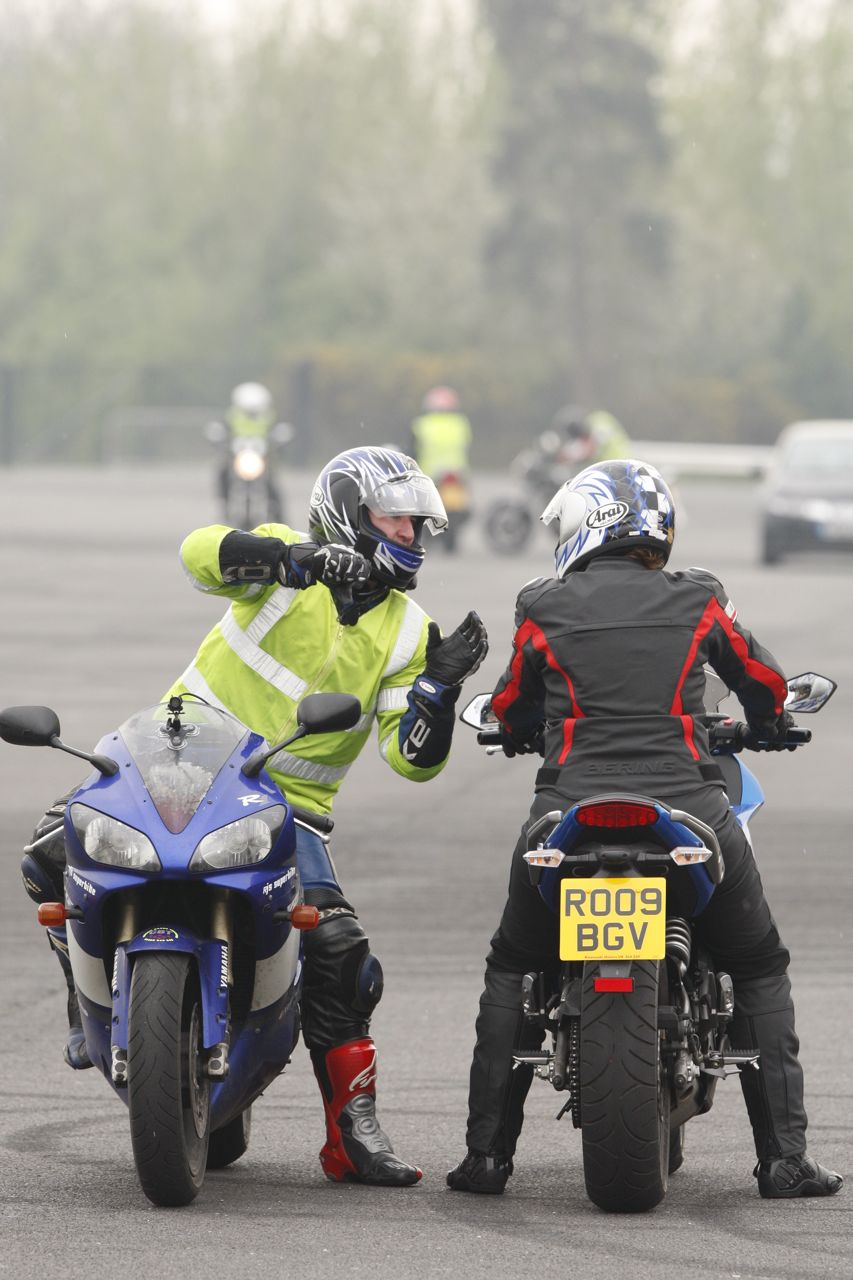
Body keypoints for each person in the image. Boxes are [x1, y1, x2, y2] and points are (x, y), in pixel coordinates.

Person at [21, 445, 488, 1188]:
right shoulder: (277, 568)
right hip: (170, 766)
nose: (412, 535)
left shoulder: (406, 630)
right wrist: (292, 560)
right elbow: (198, 554)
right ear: (350, 513)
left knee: (339, 954)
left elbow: (411, 760)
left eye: (418, 524)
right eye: (397, 520)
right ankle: (89, 1011)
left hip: (286, 811)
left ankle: (351, 1134)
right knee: (48, 853)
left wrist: (436, 687)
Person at [446, 457, 843, 1200]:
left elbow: (507, 707)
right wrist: (768, 724)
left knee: (514, 967)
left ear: (587, 524)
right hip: (689, 807)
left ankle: (486, 1158)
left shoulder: (541, 606)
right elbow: (759, 680)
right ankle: (783, 1159)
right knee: (755, 965)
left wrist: (520, 727)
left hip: (564, 811)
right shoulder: (696, 599)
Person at [208, 382, 291, 521]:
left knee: (273, 486)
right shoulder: (232, 415)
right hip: (237, 457)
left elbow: (279, 430)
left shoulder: (269, 416)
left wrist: (280, 437)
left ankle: (280, 521)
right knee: (222, 473)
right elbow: (220, 428)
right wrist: (218, 436)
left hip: (261, 458)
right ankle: (224, 502)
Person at [409, 387, 473, 552]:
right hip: (458, 473)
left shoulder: (422, 424)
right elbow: (466, 445)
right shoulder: (461, 423)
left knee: (418, 507)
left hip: (429, 473)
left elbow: (412, 450)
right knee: (461, 506)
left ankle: (426, 536)